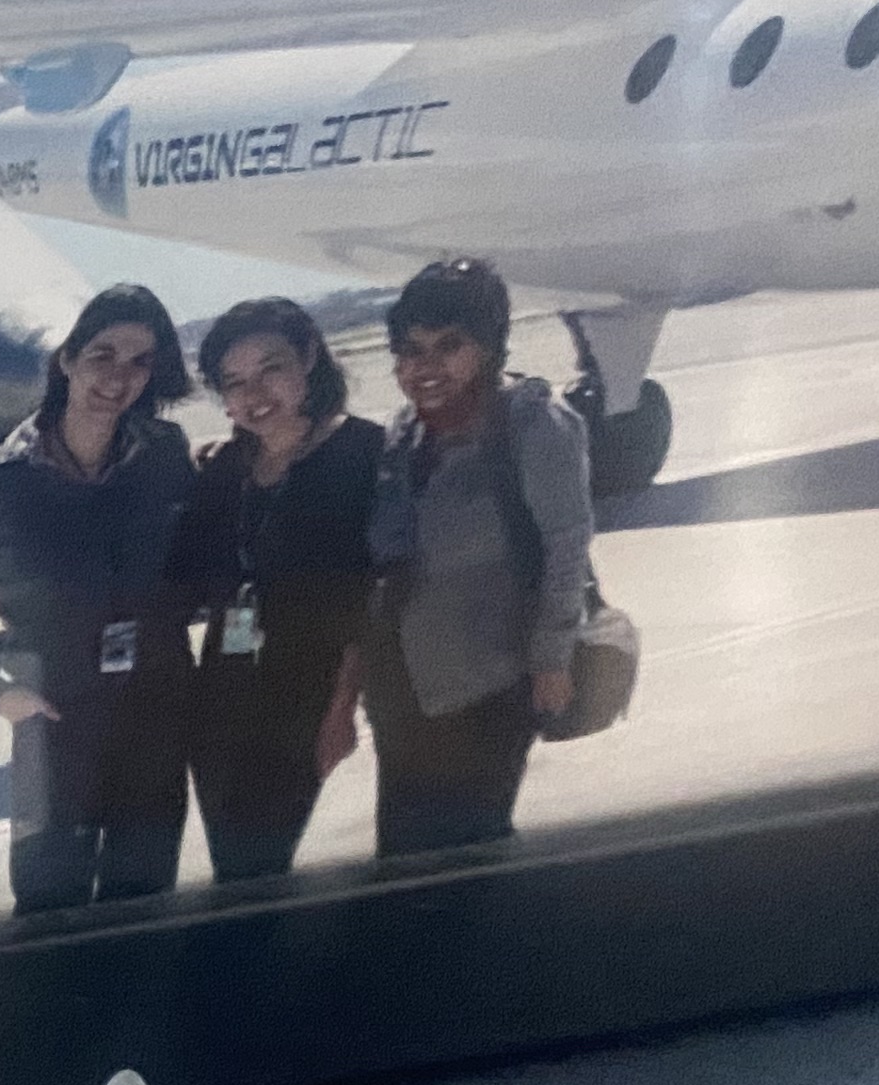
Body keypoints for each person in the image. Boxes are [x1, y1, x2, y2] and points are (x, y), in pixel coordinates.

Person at [0, 284, 198, 915]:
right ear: (66, 360)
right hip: (52, 721)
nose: (119, 377)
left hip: (154, 712)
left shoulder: (165, 456)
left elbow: (197, 564)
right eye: (103, 354)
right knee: (49, 906)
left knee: (145, 901)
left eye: (139, 362)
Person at [363, 255, 596, 858]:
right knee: (402, 855)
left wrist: (551, 660)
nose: (425, 367)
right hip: (405, 685)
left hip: (491, 681)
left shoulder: (532, 424)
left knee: (471, 853)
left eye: (449, 345)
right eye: (410, 350)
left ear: (488, 348)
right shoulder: (406, 432)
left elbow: (566, 548)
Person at [168, 296, 380, 883]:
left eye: (271, 369)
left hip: (304, 694)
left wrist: (341, 710)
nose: (254, 393)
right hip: (220, 694)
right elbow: (184, 578)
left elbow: (368, 599)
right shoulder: (221, 469)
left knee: (267, 864)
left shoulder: (362, 454)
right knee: (235, 866)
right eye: (232, 382)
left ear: (309, 358)